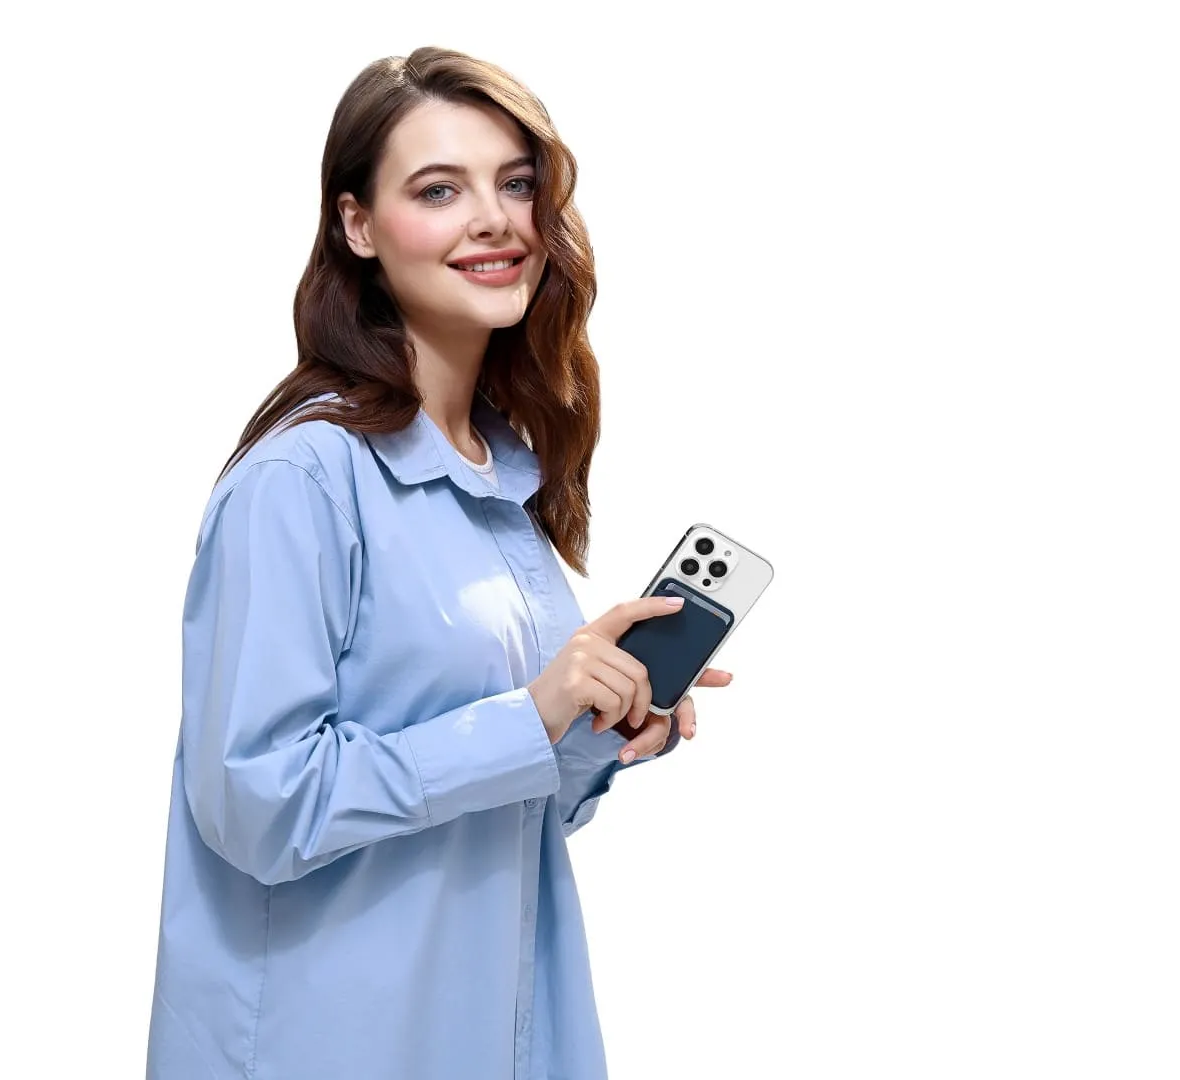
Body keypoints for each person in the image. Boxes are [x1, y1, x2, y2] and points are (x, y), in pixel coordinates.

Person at [145, 46, 733, 1080]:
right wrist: (528, 715)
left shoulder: (502, 475)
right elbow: (255, 803)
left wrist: (594, 728)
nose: (495, 220)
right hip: (333, 1047)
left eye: (517, 184)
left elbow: (501, 801)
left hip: (499, 1032)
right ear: (357, 225)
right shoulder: (302, 481)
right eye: (438, 190)